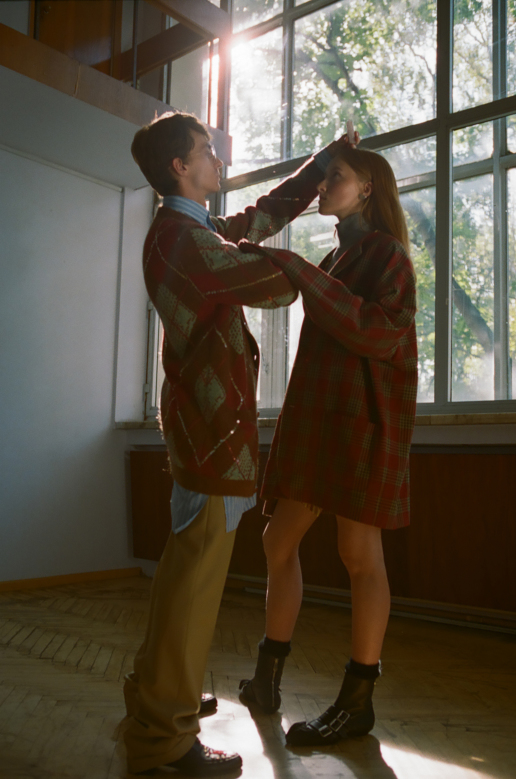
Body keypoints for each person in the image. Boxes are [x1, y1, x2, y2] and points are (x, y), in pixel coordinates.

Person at [123, 110, 354, 775]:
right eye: (206, 150)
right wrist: (319, 268)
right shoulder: (184, 241)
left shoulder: (185, 232)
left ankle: (154, 697)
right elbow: (273, 286)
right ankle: (166, 739)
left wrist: (321, 165)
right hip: (212, 439)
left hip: (203, 435)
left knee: (181, 580)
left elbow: (258, 219)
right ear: (180, 167)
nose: (217, 158)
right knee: (193, 591)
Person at [238, 144, 418, 747]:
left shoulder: (387, 254)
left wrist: (297, 268)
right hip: (320, 422)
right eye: (322, 176)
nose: (321, 185)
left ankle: (357, 701)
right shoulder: (334, 256)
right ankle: (267, 680)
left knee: (359, 553)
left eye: (334, 176)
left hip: (362, 423)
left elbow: (376, 332)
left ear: (368, 188)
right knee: (276, 539)